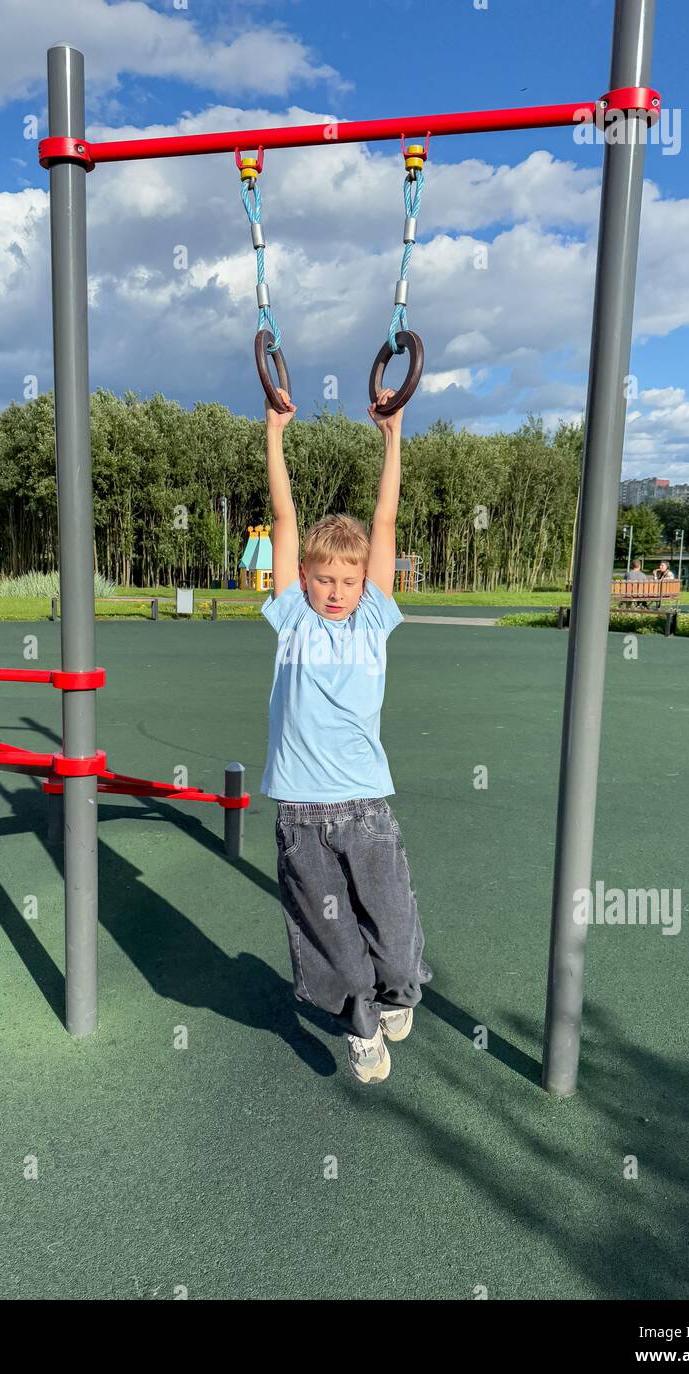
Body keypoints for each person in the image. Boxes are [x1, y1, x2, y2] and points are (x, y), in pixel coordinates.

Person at [259, 383, 431, 1085]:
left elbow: (384, 523)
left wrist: (392, 437)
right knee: (331, 937)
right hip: (301, 813)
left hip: (365, 807)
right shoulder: (292, 618)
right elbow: (283, 515)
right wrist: (274, 434)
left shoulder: (371, 619)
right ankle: (359, 1026)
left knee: (392, 934)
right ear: (302, 579)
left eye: (346, 578)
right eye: (322, 577)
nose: (334, 588)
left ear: (365, 583)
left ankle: (397, 993)